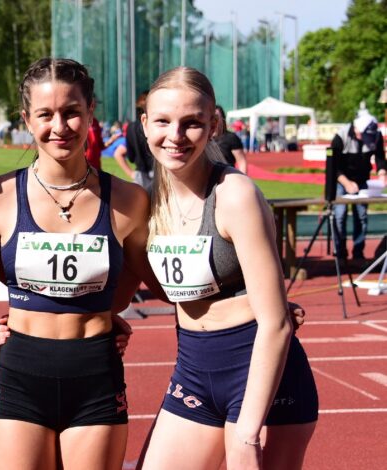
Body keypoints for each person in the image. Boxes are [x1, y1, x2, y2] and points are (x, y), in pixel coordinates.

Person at [0, 58, 156, 470]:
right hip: (22, 374)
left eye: (72, 112)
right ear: (26, 119)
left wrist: (107, 309)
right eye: (45, 114)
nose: (60, 126)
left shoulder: (128, 201)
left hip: (96, 375)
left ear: (91, 113)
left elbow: (158, 282)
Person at [138, 66, 317, 469]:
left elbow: (277, 323)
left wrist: (247, 433)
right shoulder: (149, 201)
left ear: (214, 125)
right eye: (163, 121)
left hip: (262, 375)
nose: (176, 136)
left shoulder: (235, 195)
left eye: (192, 123)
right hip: (193, 369)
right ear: (145, 124)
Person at [332, 109, 387, 260]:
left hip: (362, 179)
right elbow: (333, 166)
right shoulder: (341, 136)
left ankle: (358, 253)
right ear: (358, 130)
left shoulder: (376, 136)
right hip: (342, 179)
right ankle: (340, 253)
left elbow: (380, 157)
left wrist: (382, 173)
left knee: (361, 215)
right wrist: (346, 183)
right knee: (339, 214)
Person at [116, 108, 154, 191]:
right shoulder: (154, 127)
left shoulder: (131, 128)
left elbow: (118, 153)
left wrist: (131, 173)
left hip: (140, 176)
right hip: (156, 173)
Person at [214, 105, 248, 174]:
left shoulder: (231, 138)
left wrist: (242, 177)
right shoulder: (205, 138)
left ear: (222, 119)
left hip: (227, 177)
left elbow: (241, 162)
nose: (214, 119)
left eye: (217, 116)